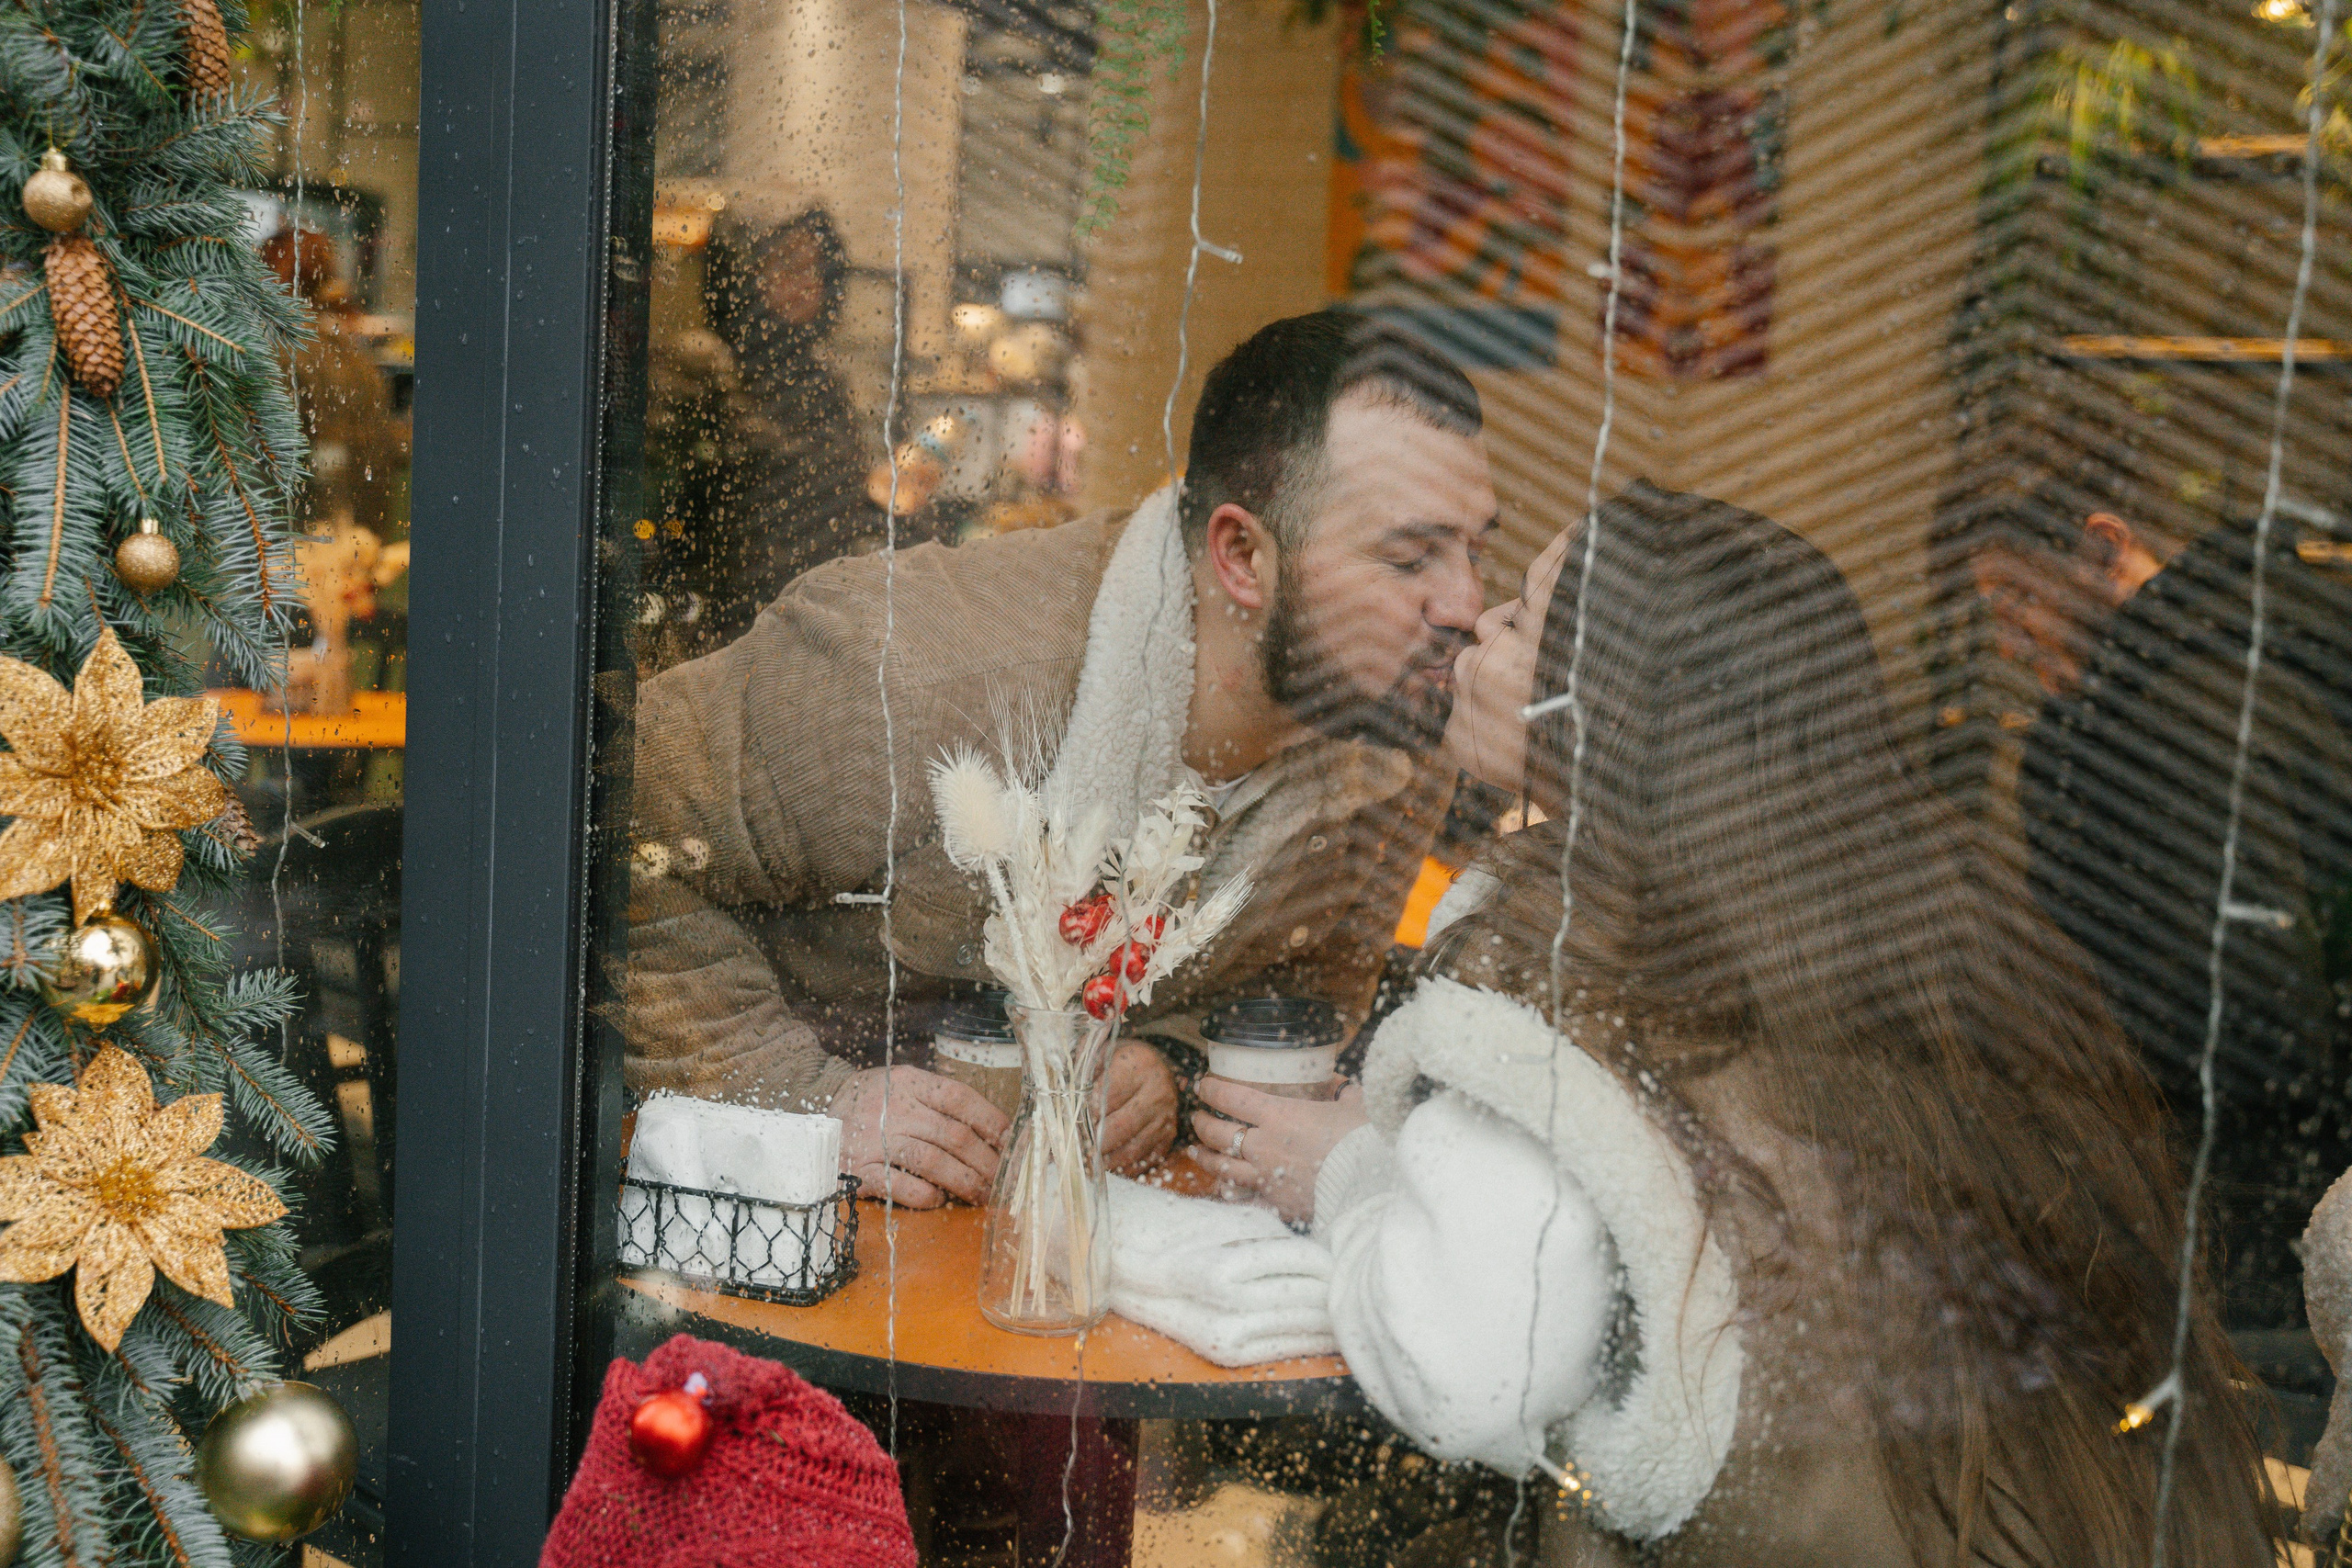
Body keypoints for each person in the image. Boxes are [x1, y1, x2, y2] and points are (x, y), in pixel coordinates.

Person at [1195, 482, 2272, 1564]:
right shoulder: (1892, 925)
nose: (1478, 624)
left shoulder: (1581, 961)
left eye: (1522, 619)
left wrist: (1348, 1174)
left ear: (1606, 704)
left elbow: (1470, 1369)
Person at [625, 310, 1489, 1207]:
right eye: (1409, 556)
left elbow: (1309, 994)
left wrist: (1176, 1068)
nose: (1466, 602)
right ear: (1241, 555)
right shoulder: (920, 675)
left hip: (1054, 1236)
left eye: (1476, 547)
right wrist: (797, 1096)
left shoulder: (1393, 719)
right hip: (783, 1218)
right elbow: (608, 828)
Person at [2019, 498, 2352, 1347]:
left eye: (2010, 599)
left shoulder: (2179, 720)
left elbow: (2255, 1023)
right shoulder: (2225, 671)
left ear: (2103, 548)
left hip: (2257, 1228)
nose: (2008, 644)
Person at [640, 209, 886, 663]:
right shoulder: (701, 368)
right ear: (744, 270)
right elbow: (657, 518)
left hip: (808, 635)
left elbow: (836, 508)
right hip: (714, 641)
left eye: (817, 271)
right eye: (788, 266)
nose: (805, 285)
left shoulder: (822, 384)